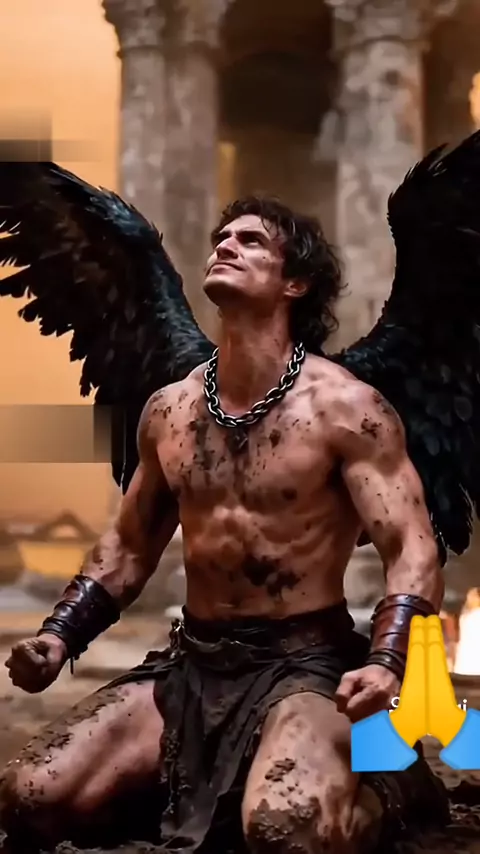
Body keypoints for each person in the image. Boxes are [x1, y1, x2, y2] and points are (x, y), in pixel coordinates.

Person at [0, 198, 449, 854]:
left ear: (296, 283)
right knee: (30, 795)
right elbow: (129, 545)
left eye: (251, 241)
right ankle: (211, 784)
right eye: (221, 237)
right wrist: (58, 635)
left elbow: (413, 547)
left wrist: (387, 663)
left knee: (284, 829)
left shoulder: (348, 409)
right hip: (195, 663)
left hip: (308, 664)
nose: (226, 246)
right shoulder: (171, 410)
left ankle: (392, 783)